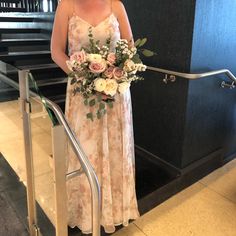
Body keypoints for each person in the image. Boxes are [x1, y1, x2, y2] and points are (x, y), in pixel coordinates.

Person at [50, 0, 139, 234]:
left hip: (115, 93)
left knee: (115, 148)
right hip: (83, 94)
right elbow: (56, 52)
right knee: (85, 149)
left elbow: (130, 49)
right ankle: (84, 210)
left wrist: (116, 76)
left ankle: (115, 208)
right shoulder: (66, 5)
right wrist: (85, 79)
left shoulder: (116, 5)